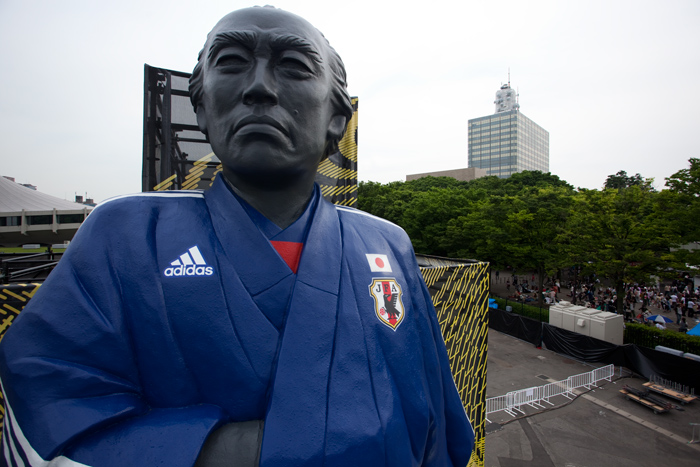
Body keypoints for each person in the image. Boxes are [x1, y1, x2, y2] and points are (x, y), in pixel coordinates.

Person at [0, 7, 474, 467]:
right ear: (202, 107)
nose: (260, 88)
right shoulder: (125, 233)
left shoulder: (387, 244)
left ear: (337, 118)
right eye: (231, 63)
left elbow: (437, 413)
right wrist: (284, 448)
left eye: (293, 67)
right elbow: (44, 409)